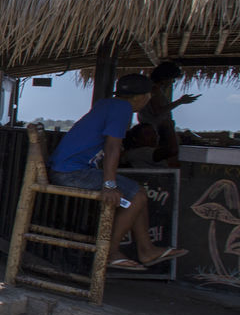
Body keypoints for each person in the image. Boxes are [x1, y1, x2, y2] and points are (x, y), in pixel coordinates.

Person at [49, 73, 187, 270]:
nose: (148, 101)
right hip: (71, 173)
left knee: (136, 194)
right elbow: (113, 147)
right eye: (149, 97)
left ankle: (146, 249)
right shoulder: (123, 109)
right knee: (136, 197)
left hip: (66, 169)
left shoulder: (107, 104)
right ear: (141, 97)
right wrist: (109, 185)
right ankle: (111, 252)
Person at [137, 61, 197, 167]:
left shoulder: (151, 89)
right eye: (172, 79)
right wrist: (180, 101)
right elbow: (158, 111)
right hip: (158, 132)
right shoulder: (154, 89)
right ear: (165, 78)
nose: (172, 82)